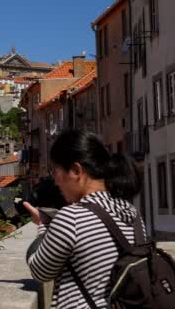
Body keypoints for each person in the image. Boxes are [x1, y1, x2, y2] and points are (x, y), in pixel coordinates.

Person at [24, 129, 143, 309]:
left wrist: (43, 225)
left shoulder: (71, 218)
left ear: (75, 170)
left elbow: (39, 270)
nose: (55, 181)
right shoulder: (131, 213)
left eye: (55, 171)